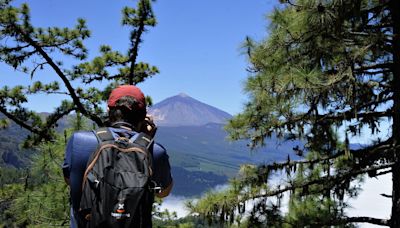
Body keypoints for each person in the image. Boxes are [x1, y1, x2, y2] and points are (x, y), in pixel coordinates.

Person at [62, 85, 173, 228]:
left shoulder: (78, 142)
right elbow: (163, 192)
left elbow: (70, 180)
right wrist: (145, 141)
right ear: (145, 116)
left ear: (109, 111)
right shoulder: (156, 152)